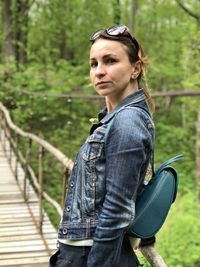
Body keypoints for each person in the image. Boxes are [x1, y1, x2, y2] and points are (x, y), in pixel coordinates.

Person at [50, 24, 155, 267]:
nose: (99, 71)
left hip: (91, 255)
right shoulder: (115, 118)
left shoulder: (128, 121)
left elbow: (118, 207)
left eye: (110, 61)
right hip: (82, 250)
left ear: (135, 69)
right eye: (94, 64)